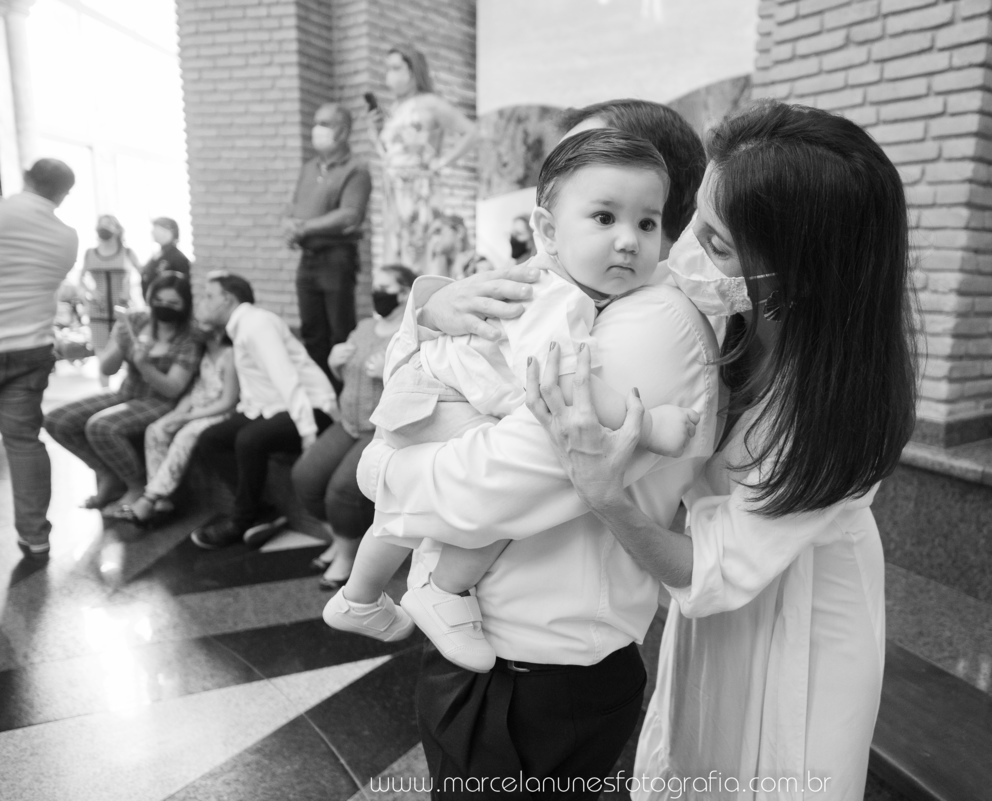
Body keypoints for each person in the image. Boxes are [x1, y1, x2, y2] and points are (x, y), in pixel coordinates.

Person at [526, 101, 918, 800]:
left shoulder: (828, 411)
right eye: (693, 222)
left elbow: (708, 568)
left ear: (798, 270)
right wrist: (442, 302)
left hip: (797, 609)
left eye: (716, 241)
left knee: (776, 765)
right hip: (715, 598)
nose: (679, 255)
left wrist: (604, 492)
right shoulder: (732, 302)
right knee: (696, 755)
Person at [352, 99, 716, 797]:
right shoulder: (575, 289)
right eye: (583, 204)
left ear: (666, 215)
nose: (613, 234)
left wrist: (380, 468)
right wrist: (429, 310)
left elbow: (486, 484)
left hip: (537, 678)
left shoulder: (649, 320)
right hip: (506, 659)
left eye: (632, 215)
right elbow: (423, 371)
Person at [190, 272, 337, 550]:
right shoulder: (240, 326)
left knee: (250, 439)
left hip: (312, 407)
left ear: (228, 300)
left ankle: (242, 519)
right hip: (272, 408)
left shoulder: (256, 324)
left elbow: (286, 378)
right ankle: (263, 510)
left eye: (209, 296)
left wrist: (309, 435)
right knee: (212, 438)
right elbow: (259, 386)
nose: (202, 302)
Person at [292, 264, 415, 590]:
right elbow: (349, 377)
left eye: (385, 287)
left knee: (342, 491)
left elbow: (419, 386)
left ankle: (347, 555)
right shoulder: (362, 329)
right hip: (347, 422)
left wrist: (388, 373)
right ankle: (340, 539)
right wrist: (334, 364)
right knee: (305, 476)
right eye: (376, 286)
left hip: (380, 429)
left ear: (404, 293)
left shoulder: (410, 332)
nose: (378, 294)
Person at [44, 272, 202, 514]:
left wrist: (144, 365)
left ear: (185, 306)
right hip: (127, 393)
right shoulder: (136, 321)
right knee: (57, 420)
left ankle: (136, 485)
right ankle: (106, 473)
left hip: (162, 401)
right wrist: (122, 343)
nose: (164, 308)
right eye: (159, 301)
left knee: (102, 427)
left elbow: (173, 388)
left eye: (173, 304)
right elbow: (108, 368)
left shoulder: (188, 337)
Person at [0, 159, 79, 558]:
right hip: (31, 350)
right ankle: (35, 537)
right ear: (64, 194)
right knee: (23, 443)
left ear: (27, 178)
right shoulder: (67, 239)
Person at [368, 43, 479, 272]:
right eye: (388, 68)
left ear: (413, 69)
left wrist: (442, 162)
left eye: (396, 67)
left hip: (420, 190)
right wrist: (374, 131)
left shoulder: (430, 103)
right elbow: (390, 153)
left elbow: (472, 132)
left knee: (421, 253)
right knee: (396, 256)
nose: (390, 74)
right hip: (394, 191)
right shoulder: (396, 108)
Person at [118, 320, 238, 527]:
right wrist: (179, 413)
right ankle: (163, 503)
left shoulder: (231, 356)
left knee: (185, 436)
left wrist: (190, 417)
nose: (196, 328)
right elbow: (196, 389)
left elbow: (228, 402)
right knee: (156, 430)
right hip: (196, 410)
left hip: (218, 413)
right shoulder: (205, 355)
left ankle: (150, 498)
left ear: (218, 333)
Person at [284, 103, 372, 381]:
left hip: (336, 257)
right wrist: (288, 225)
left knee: (339, 331)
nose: (317, 129)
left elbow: (349, 215)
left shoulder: (356, 169)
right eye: (316, 122)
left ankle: (342, 392)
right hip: (307, 257)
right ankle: (321, 394)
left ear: (343, 131)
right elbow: (293, 207)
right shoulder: (309, 167)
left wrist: (305, 227)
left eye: (325, 123)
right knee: (312, 330)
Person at [80, 214, 142, 386]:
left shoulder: (127, 252)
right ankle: (104, 390)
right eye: (101, 224)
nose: (104, 228)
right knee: (101, 351)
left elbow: (144, 274)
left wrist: (130, 287)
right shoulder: (90, 253)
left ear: (117, 228)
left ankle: (128, 386)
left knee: (125, 346)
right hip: (98, 310)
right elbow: (81, 279)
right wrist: (89, 292)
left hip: (122, 308)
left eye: (108, 224)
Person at [140, 217, 191, 293]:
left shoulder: (178, 258)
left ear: (166, 231)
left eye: (156, 229)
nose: (152, 232)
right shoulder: (158, 255)